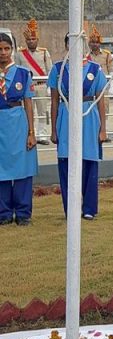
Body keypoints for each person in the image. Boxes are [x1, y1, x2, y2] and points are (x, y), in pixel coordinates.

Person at [48, 35, 107, 220]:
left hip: (89, 117)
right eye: (71, 43)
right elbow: (54, 100)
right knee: (67, 163)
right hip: (66, 117)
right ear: (67, 45)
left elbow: (101, 101)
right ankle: (70, 209)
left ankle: (89, 208)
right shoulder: (58, 69)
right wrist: (53, 129)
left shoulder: (95, 69)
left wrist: (103, 129)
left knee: (89, 162)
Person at [0, 29, 38, 225]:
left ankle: (23, 213)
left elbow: (28, 103)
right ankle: (3, 213)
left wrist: (31, 132)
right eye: (0, 49)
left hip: (18, 123)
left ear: (12, 50)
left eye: (7, 49)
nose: (3, 53)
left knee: (23, 168)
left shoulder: (23, 74)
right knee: (1, 169)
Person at [17, 18, 52, 144]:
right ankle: (29, 133)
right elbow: (17, 71)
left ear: (37, 39)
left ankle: (42, 134)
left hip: (41, 85)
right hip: (27, 87)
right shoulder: (20, 53)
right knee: (28, 111)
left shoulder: (44, 52)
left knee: (43, 111)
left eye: (33, 39)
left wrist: (49, 86)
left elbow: (50, 70)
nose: (31, 41)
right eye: (29, 39)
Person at [87, 25, 113, 138]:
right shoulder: (86, 55)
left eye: (97, 42)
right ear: (89, 43)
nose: (95, 44)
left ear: (100, 43)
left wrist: (111, 86)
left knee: (104, 110)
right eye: (92, 42)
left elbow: (111, 71)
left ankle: (103, 131)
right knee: (91, 110)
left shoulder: (106, 54)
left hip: (103, 87)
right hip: (90, 87)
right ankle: (94, 133)